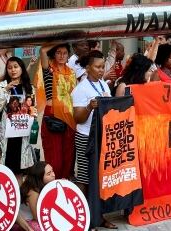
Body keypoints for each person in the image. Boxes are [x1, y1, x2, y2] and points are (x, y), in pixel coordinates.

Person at [70, 51, 116, 229]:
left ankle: (99, 216)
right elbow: (78, 118)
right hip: (85, 137)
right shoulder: (80, 89)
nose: (100, 69)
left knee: (100, 177)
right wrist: (89, 106)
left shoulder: (103, 84)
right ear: (87, 68)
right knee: (83, 177)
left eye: (102, 66)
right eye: (97, 67)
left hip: (102, 135)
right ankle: (82, 217)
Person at [38, 43, 77, 181]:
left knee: (68, 159)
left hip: (70, 118)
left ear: (68, 55)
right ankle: (52, 188)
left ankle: (64, 190)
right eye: (58, 52)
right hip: (53, 115)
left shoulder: (72, 72)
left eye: (65, 53)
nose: (61, 56)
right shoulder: (49, 69)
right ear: (54, 54)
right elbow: (43, 50)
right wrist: (60, 40)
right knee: (55, 159)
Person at [0, 57, 36, 176]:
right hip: (6, 134)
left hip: (22, 133)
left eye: (16, 67)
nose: (13, 70)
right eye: (10, 68)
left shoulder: (29, 88)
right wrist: (6, 90)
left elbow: (33, 109)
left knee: (20, 172)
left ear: (22, 69)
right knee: (3, 170)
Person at [17, 162, 55, 231]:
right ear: (40, 177)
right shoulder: (33, 192)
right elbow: (36, 216)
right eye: (48, 174)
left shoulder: (46, 186)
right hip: (26, 222)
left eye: (52, 171)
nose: (53, 175)